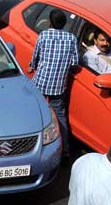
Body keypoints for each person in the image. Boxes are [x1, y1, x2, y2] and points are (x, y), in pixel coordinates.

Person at [29, 9, 78, 157]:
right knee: (60, 116)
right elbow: (75, 62)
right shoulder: (72, 39)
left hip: (40, 82)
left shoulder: (44, 35)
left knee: (35, 113)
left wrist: (32, 66)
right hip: (58, 86)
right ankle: (64, 150)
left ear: (50, 22)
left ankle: (35, 146)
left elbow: (35, 57)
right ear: (64, 24)